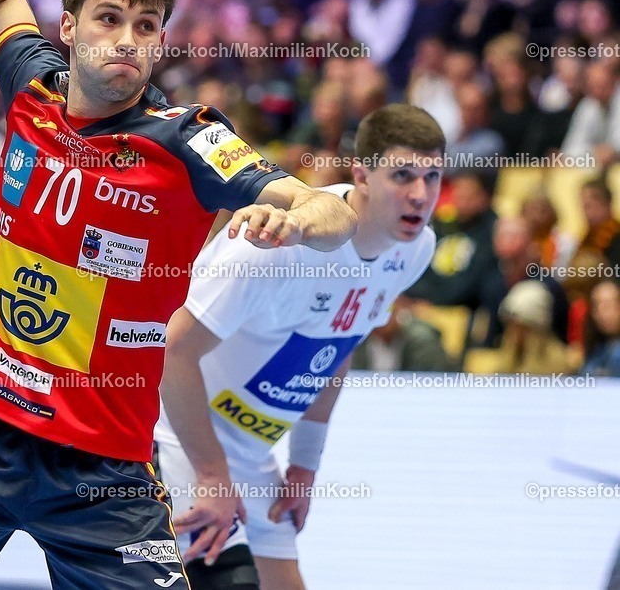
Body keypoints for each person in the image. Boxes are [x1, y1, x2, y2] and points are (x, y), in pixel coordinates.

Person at [0, 0, 357, 590]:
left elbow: (332, 214)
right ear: (70, 27)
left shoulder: (188, 139)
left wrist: (297, 220)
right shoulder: (33, 88)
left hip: (103, 474)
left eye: (146, 26)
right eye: (109, 19)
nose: (127, 40)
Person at [156, 104, 444, 590]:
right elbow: (172, 352)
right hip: (176, 436)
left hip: (249, 452)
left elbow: (340, 346)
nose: (420, 194)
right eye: (402, 175)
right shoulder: (278, 246)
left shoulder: (415, 249)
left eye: (432, 176)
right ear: (362, 175)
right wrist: (212, 474)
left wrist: (305, 466)